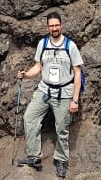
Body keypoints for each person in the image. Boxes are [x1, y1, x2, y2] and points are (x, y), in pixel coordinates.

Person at [16, 12, 83, 178]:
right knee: (29, 117)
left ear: (61, 25)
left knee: (61, 127)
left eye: (56, 25)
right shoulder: (43, 44)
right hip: (45, 89)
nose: (54, 28)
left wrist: (75, 99)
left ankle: (61, 160)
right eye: (51, 26)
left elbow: (77, 72)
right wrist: (26, 75)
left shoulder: (70, 46)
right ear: (48, 27)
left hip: (64, 92)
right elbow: (38, 66)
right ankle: (34, 157)